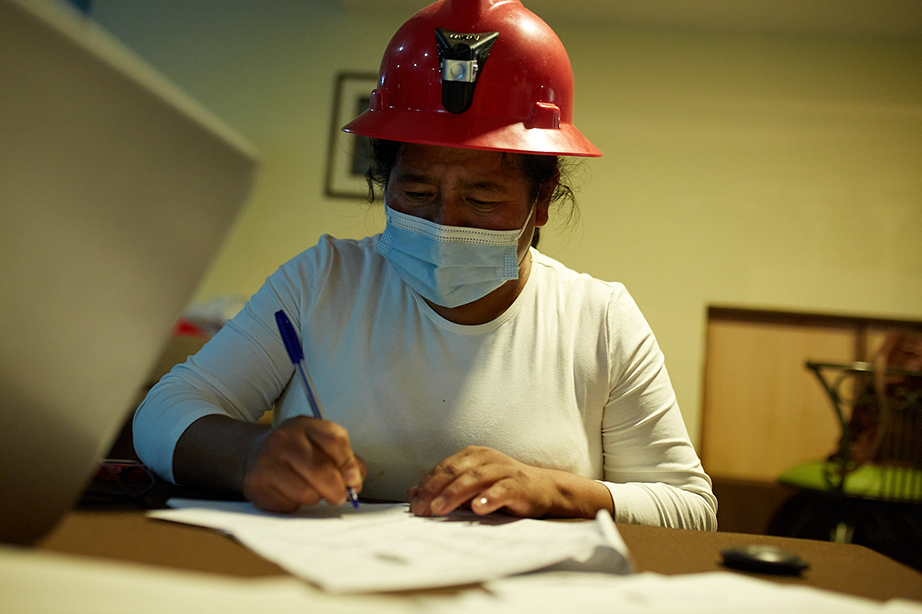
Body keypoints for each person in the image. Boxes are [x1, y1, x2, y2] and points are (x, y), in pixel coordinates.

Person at [133, 0, 717, 530]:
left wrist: (555, 491)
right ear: (384, 180)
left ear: (541, 200)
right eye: (416, 192)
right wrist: (250, 455)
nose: (443, 222)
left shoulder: (599, 321)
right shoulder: (322, 281)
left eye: (482, 199)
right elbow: (162, 412)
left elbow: (690, 508)